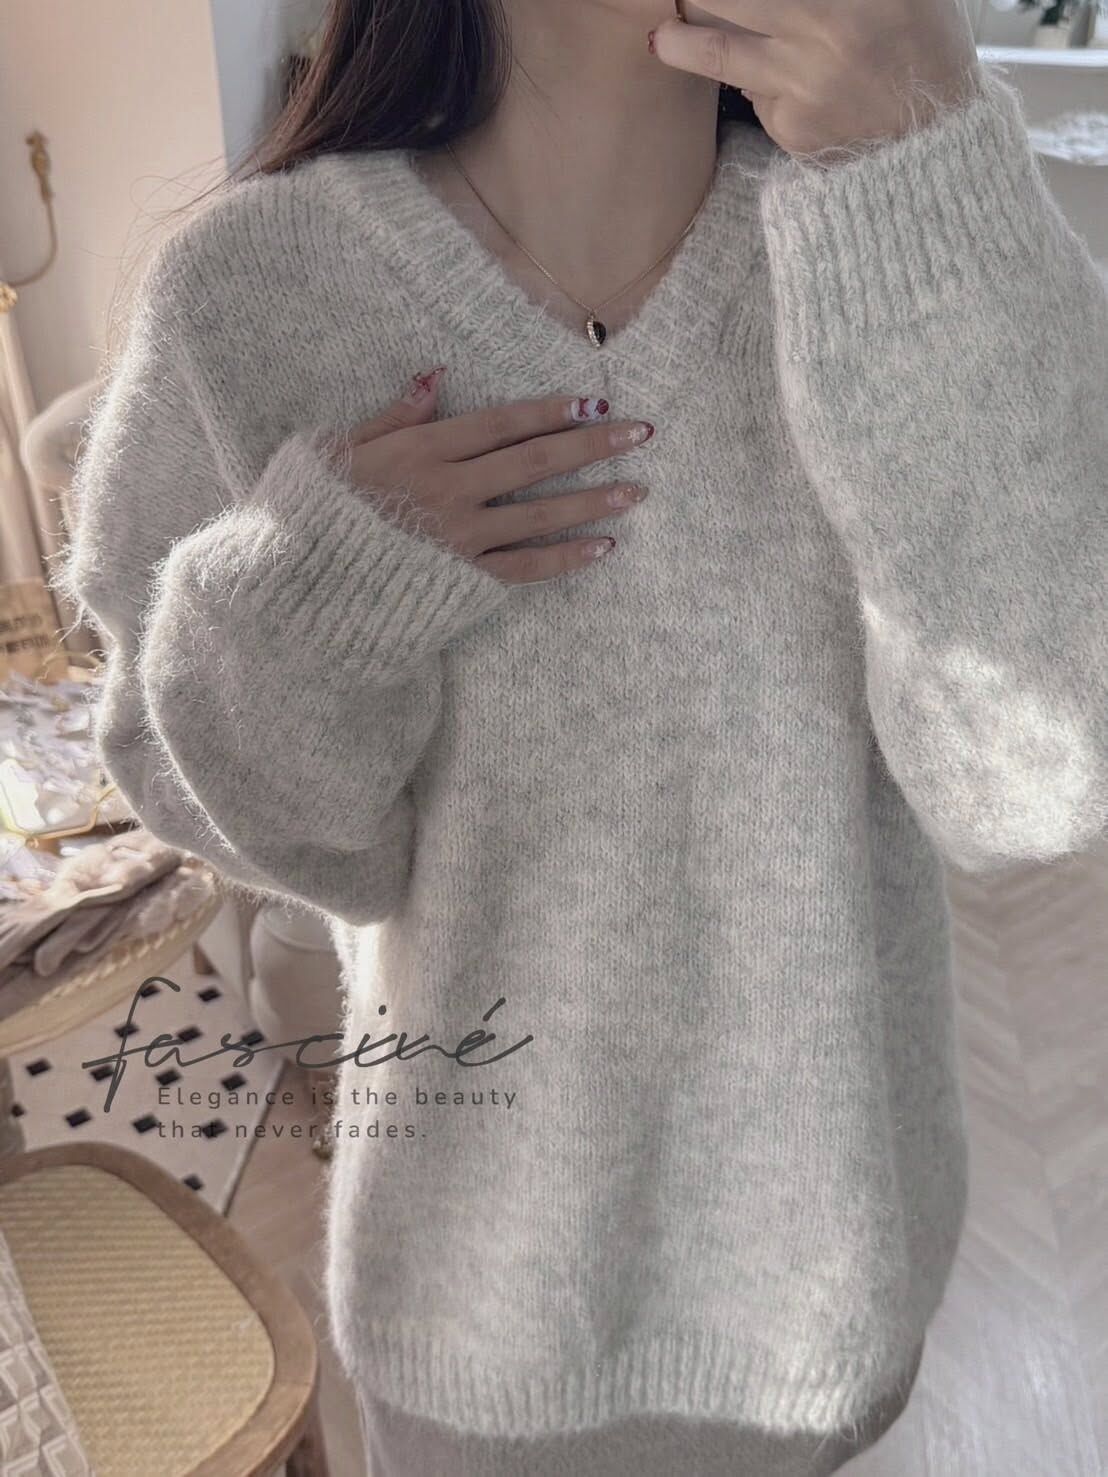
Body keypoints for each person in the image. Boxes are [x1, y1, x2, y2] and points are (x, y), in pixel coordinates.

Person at [56, 0, 1107, 1471]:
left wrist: (928, 166)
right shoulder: (252, 292)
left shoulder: (912, 239)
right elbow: (272, 833)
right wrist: (316, 590)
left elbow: (1032, 778)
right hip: (475, 1296)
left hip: (825, 1270)